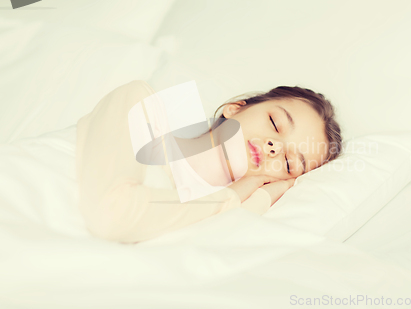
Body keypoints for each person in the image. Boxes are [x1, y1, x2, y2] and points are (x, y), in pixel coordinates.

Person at [75, 80, 342, 244]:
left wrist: (256, 199)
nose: (274, 147)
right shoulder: (142, 109)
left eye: (288, 163)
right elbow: (112, 215)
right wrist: (236, 197)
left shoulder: (227, 216)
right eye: (274, 123)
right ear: (235, 107)